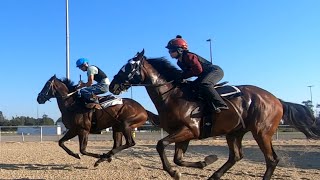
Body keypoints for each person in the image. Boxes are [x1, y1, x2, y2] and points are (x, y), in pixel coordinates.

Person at [165, 35, 228, 113]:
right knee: (192, 87)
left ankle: (220, 104)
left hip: (215, 71)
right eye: (169, 51)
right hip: (204, 75)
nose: (170, 53)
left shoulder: (189, 56)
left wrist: (182, 76)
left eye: (172, 51)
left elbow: (198, 70)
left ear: (180, 50)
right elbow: (188, 73)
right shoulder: (179, 62)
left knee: (205, 84)